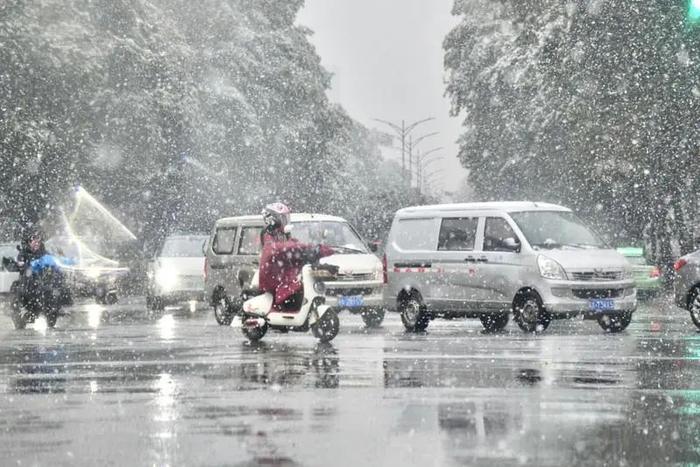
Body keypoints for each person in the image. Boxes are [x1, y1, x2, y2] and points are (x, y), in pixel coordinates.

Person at [258, 203, 334, 311]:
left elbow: (293, 245)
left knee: (300, 284)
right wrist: (304, 249)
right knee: (294, 288)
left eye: (286, 217)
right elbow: (280, 248)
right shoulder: (268, 234)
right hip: (275, 277)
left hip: (283, 275)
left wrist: (313, 251)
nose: (286, 221)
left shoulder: (283, 234)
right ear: (274, 219)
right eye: (283, 218)